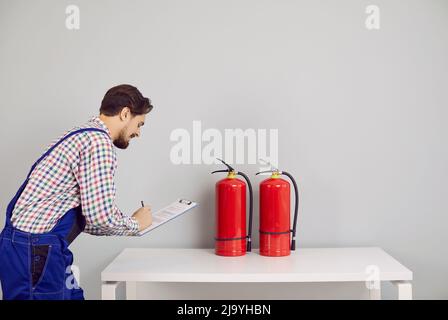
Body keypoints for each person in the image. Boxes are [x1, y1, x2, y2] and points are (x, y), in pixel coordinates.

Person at [0, 84, 153, 300]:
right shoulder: (98, 143)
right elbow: (101, 218)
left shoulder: (80, 135)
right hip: (35, 251)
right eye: (139, 124)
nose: (138, 132)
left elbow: (90, 219)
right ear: (125, 113)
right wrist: (137, 224)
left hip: (32, 248)